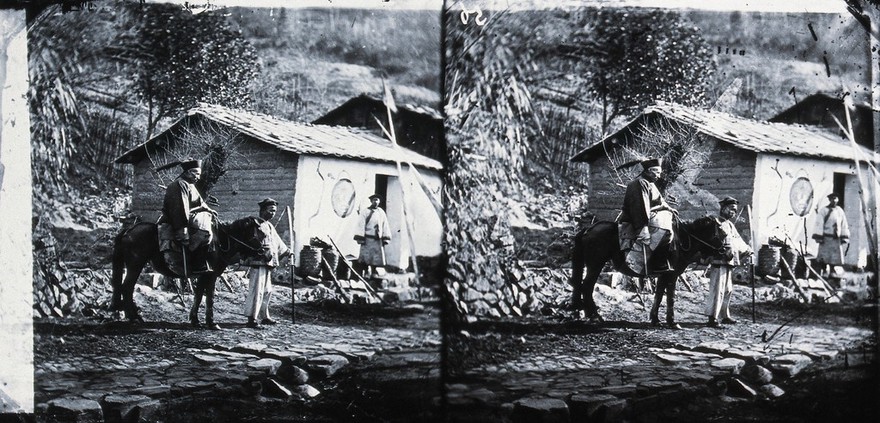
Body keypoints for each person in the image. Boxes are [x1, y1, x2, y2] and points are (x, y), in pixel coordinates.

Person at [618, 158, 678, 275]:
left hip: (649, 215)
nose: (659, 176)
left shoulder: (651, 184)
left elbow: (660, 201)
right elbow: (640, 207)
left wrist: (669, 208)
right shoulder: (640, 183)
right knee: (665, 231)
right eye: (657, 173)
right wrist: (643, 227)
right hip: (636, 218)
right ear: (650, 171)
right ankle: (656, 262)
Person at [158, 159, 216, 275]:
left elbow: (200, 203)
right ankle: (195, 262)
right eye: (197, 174)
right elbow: (180, 208)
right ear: (189, 172)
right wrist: (182, 228)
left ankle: (202, 260)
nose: (198, 177)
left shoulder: (191, 185)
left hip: (189, 217)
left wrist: (208, 209)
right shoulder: (179, 184)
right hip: (177, 219)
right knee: (203, 231)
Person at [243, 198, 291, 329]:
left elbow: (278, 243)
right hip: (258, 261)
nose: (272, 214)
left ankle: (264, 316)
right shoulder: (255, 224)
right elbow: (251, 242)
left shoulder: (269, 226)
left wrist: (287, 251)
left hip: (268, 263)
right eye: (270, 210)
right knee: (256, 290)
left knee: (267, 291)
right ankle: (252, 318)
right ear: (263, 210)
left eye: (274, 211)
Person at [706, 196, 753, 328]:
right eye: (731, 209)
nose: (733, 212)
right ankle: (712, 317)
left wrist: (748, 250)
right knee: (718, 290)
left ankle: (724, 315)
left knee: (728, 290)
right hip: (719, 260)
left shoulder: (730, 225)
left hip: (729, 261)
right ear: (724, 208)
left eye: (735, 211)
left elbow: (738, 241)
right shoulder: (716, 222)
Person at [812, 193, 850, 276]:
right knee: (824, 258)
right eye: (833, 199)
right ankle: (824, 272)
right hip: (826, 238)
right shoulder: (823, 211)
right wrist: (819, 236)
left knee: (834, 258)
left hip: (835, 239)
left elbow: (844, 224)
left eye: (836, 198)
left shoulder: (840, 211)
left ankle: (832, 273)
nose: (834, 200)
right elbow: (819, 223)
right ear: (829, 200)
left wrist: (844, 236)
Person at [354, 194, 391, 277]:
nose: (376, 202)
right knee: (366, 257)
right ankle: (365, 273)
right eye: (374, 200)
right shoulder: (365, 212)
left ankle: (374, 273)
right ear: (371, 201)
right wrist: (360, 237)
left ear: (379, 201)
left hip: (377, 240)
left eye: (377, 200)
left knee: (376, 258)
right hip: (367, 239)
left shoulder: (381, 212)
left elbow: (385, 225)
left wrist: (385, 237)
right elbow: (361, 224)